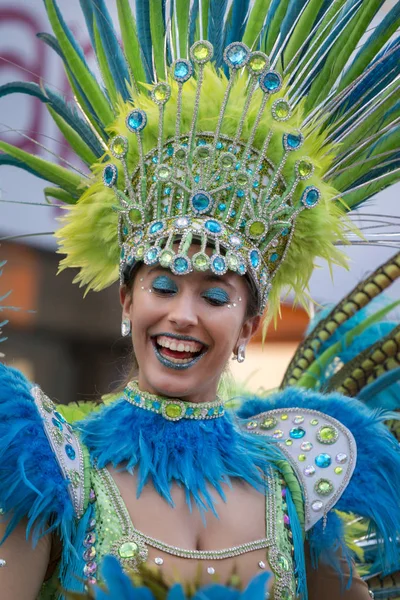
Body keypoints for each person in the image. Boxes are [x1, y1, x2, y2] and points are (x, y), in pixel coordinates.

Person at [0, 1, 400, 599]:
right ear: (126, 300)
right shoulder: (54, 472)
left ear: (248, 325)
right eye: (162, 286)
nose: (182, 315)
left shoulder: (292, 486)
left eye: (215, 295)